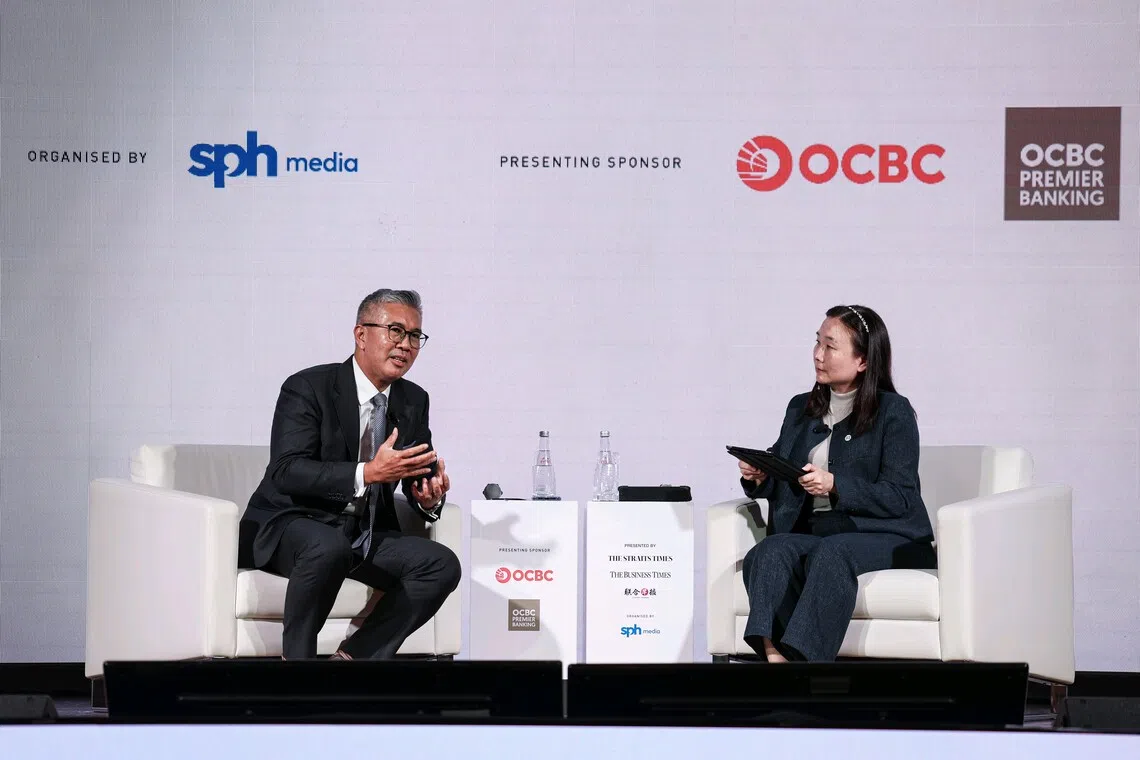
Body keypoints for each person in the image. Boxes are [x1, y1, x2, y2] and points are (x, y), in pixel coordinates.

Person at [240, 288, 460, 660]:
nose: (405, 345)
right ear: (361, 334)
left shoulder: (413, 400)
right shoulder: (308, 387)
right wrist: (367, 473)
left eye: (414, 336)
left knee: (441, 564)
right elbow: (286, 471)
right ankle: (297, 667)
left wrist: (428, 498)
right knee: (328, 546)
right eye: (395, 331)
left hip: (362, 533)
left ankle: (353, 660)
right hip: (292, 523)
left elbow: (414, 473)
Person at [737, 305, 935, 663]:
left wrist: (835, 485)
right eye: (817, 343)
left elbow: (900, 497)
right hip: (822, 532)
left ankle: (810, 669)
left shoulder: (894, 412)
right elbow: (784, 471)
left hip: (888, 535)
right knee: (768, 551)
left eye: (830, 346)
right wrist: (760, 476)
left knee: (832, 554)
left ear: (863, 361)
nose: (818, 354)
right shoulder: (800, 408)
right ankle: (776, 659)